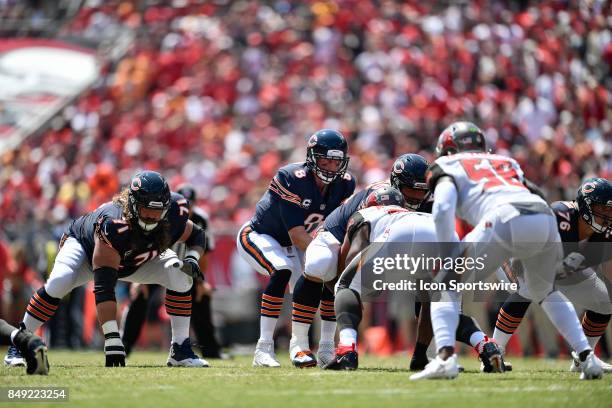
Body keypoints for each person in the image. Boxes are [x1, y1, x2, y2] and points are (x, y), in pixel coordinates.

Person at [410, 121, 602, 380]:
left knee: (444, 283)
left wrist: (448, 256)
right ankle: (586, 358)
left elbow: (443, 209)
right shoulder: (506, 162)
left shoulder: (446, 165)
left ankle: (444, 357)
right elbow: (535, 192)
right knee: (544, 290)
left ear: (448, 149)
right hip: (542, 216)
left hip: (503, 218)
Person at [4, 170, 208, 368]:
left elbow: (197, 235)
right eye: (146, 210)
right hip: (86, 250)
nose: (152, 217)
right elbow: (103, 287)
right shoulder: (114, 223)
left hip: (132, 260)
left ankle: (180, 350)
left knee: (181, 274)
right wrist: (112, 338)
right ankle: (19, 343)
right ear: (133, 204)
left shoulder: (175, 211)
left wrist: (192, 258)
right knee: (59, 282)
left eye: (157, 211)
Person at [236, 129, 355, 367]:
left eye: (336, 161)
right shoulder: (292, 177)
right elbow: (297, 233)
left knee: (328, 276)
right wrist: (324, 257)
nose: (331, 167)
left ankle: (323, 348)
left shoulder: (346, 184)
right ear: (312, 157)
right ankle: (264, 348)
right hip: (261, 235)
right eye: (325, 160)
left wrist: (335, 262)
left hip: (296, 244)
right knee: (282, 270)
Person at [493, 177, 612, 372]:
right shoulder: (561, 216)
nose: (608, 215)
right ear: (586, 205)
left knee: (605, 301)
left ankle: (584, 358)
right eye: (603, 209)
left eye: (611, 210)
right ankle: (494, 352)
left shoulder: (606, 233)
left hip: (561, 268)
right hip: (518, 256)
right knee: (528, 288)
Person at [121, 184, 228, 359]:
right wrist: (139, 279)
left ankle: (210, 350)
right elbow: (144, 246)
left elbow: (204, 253)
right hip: (157, 263)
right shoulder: (164, 214)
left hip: (185, 268)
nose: (188, 208)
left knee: (201, 296)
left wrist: (201, 282)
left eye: (191, 204)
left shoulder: (201, 219)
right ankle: (124, 345)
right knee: (140, 296)